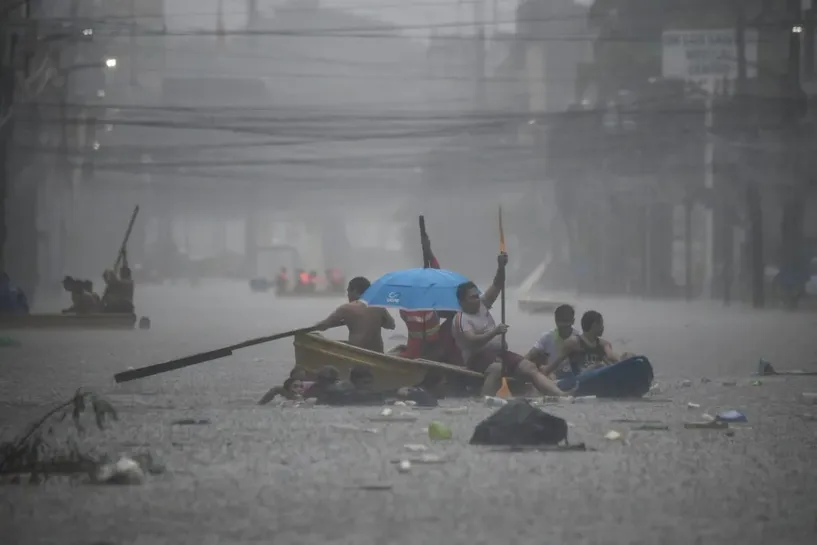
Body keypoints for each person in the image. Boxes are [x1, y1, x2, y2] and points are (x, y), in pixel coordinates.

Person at [451, 252, 572, 397]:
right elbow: (471, 341)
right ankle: (484, 401)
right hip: (476, 358)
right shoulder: (461, 318)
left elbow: (497, 284)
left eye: (477, 295)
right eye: (472, 298)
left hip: (500, 353)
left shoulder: (483, 303)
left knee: (530, 367)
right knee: (497, 368)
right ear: (462, 302)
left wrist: (501, 266)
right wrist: (494, 332)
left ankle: (560, 394)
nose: (477, 299)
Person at [314, 276, 395, 352]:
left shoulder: (346, 308)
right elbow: (391, 325)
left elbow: (323, 325)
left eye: (348, 291)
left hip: (356, 351)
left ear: (355, 291)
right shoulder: (378, 306)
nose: (348, 295)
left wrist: (314, 327)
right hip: (377, 352)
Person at [397, 232, 444, 360]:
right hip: (418, 354)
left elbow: (436, 273)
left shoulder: (406, 307)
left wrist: (428, 250)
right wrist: (428, 250)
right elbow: (436, 273)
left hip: (423, 354)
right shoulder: (410, 308)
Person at [540, 310, 623, 380]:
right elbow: (557, 362)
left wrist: (624, 359)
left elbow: (611, 356)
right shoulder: (573, 342)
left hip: (598, 376)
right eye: (601, 324)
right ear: (594, 325)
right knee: (598, 366)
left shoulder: (604, 344)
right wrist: (545, 372)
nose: (603, 327)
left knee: (601, 366)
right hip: (581, 379)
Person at [525, 304, 580, 378]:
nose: (563, 327)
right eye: (561, 322)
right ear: (556, 321)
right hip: (552, 376)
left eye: (566, 323)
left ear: (573, 321)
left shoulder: (579, 338)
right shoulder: (547, 337)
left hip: (573, 376)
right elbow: (530, 355)